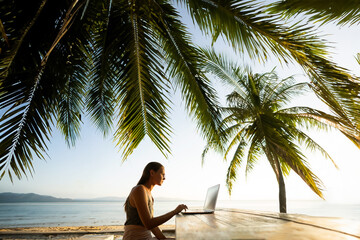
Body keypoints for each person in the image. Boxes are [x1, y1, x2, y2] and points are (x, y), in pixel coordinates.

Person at [123, 162, 188, 240]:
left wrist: (164, 239)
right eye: (162, 174)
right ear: (152, 173)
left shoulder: (149, 194)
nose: (164, 178)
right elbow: (149, 224)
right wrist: (174, 211)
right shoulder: (139, 190)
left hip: (146, 236)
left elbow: (153, 226)